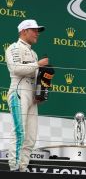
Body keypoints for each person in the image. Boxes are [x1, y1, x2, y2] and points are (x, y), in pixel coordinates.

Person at [5, 19, 48, 172]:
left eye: (38, 30)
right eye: (34, 30)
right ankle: (14, 168)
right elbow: (16, 69)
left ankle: (22, 169)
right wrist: (38, 65)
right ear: (24, 31)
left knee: (30, 137)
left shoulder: (34, 53)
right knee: (19, 131)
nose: (37, 33)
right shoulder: (14, 47)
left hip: (31, 96)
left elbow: (35, 75)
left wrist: (41, 90)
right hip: (19, 92)